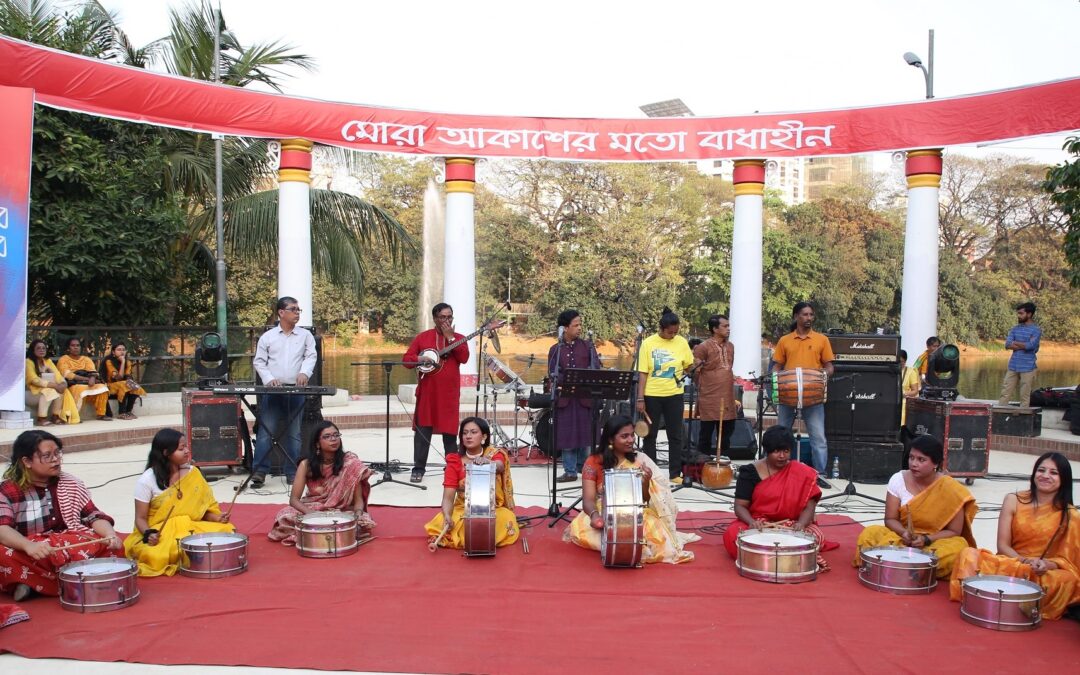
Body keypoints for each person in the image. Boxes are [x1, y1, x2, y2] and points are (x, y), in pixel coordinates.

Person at [949, 452, 1079, 620]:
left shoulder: (1070, 515)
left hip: (1040, 573)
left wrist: (1046, 564)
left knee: (1068, 580)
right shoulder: (1013, 500)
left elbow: (1069, 562)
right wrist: (1023, 561)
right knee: (968, 554)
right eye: (1041, 470)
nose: (1045, 476)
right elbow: (1002, 546)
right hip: (1012, 562)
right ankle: (999, 598)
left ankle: (998, 596)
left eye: (1054, 473)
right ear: (1034, 474)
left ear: (1064, 479)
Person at [0, 430, 123, 602]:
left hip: (66, 546)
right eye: (47, 455)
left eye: (58, 453)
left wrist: (110, 535)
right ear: (26, 461)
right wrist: (28, 545)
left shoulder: (69, 483)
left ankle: (31, 583)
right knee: (3, 554)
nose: (56, 459)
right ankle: (62, 579)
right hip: (29, 551)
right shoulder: (8, 490)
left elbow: (93, 516)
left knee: (112, 544)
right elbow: (2, 528)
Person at [564, 415, 697, 564]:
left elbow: (645, 500)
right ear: (610, 439)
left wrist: (646, 482)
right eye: (624, 436)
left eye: (632, 435)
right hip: (604, 512)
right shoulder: (594, 462)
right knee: (591, 532)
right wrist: (595, 517)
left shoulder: (640, 459)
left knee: (651, 535)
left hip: (636, 513)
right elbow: (588, 500)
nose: (631, 440)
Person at [852, 435, 977, 579]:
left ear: (935, 463)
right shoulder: (898, 479)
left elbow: (954, 531)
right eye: (911, 458)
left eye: (921, 459)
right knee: (870, 533)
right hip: (902, 539)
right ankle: (917, 569)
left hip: (934, 542)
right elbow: (890, 519)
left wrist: (926, 539)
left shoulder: (951, 489)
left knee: (959, 546)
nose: (914, 464)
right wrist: (904, 533)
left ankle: (897, 566)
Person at [123, 428, 235, 576]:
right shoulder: (147, 480)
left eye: (186, 447)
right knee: (156, 556)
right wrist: (149, 534)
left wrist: (217, 517)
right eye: (181, 448)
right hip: (161, 532)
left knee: (228, 531)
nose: (187, 451)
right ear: (166, 453)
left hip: (190, 527)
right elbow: (140, 518)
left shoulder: (192, 473)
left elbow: (202, 511)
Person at [722, 426, 836, 571]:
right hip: (760, 524)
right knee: (732, 534)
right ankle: (788, 557)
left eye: (786, 451)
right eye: (776, 451)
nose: (782, 456)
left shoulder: (801, 471)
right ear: (767, 451)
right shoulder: (749, 472)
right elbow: (740, 506)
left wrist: (801, 524)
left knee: (815, 535)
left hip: (792, 525)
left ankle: (766, 556)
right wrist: (751, 522)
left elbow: (810, 505)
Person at [269, 421, 376, 545]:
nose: (333, 439)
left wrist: (357, 516)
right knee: (286, 516)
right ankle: (331, 531)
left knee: (363, 523)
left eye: (336, 435)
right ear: (317, 443)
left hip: (342, 511)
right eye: (327, 436)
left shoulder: (351, 463)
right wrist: (315, 516)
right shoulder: (306, 465)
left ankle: (321, 531)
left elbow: (358, 501)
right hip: (313, 508)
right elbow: (294, 499)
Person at [250, 296, 317, 488]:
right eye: (293, 309)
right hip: (272, 391)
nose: (297, 313)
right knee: (265, 432)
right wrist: (269, 379)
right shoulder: (268, 337)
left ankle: (292, 472)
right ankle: (259, 472)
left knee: (294, 433)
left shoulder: (305, 335)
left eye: (298, 310)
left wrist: (305, 372)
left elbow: (311, 355)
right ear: (281, 312)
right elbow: (259, 362)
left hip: (295, 391)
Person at [424, 417, 519, 549]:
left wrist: (487, 463)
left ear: (484, 436)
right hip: (464, 508)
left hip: (492, 508)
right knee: (441, 520)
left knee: (506, 518)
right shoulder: (455, 462)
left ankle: (473, 537)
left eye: (473, 432)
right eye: (465, 433)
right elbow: (448, 496)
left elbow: (500, 466)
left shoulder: (493, 454)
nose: (468, 436)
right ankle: (478, 537)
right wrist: (447, 515)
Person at [404, 303, 469, 483]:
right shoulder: (423, 338)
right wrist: (419, 359)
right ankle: (418, 469)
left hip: (448, 395)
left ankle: (453, 469)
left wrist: (450, 339)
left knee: (450, 434)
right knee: (422, 432)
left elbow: (464, 358)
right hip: (428, 394)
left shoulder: (460, 338)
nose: (447, 321)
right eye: (443, 317)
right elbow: (406, 361)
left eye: (450, 317)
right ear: (435, 318)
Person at [768, 302, 834, 474]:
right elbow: (776, 366)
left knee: (818, 436)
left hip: (813, 396)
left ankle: (820, 474)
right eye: (805, 314)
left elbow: (829, 366)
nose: (809, 318)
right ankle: (778, 471)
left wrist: (823, 376)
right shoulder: (785, 340)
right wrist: (775, 382)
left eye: (811, 315)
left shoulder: (822, 339)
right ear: (796, 316)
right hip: (788, 395)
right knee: (781, 434)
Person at [636, 307, 694, 484]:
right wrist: (640, 398)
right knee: (650, 435)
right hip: (652, 394)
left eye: (676, 332)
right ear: (661, 329)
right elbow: (643, 372)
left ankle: (675, 473)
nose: (673, 335)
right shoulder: (648, 343)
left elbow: (688, 367)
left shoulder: (681, 342)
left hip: (674, 394)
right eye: (670, 332)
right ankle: (651, 472)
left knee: (675, 434)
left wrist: (694, 366)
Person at [548, 309, 601, 482]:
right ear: (565, 328)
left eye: (580, 324)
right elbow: (553, 373)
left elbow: (596, 369)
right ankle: (570, 471)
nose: (579, 328)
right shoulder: (556, 349)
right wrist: (568, 379)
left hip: (585, 397)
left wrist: (584, 377)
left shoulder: (587, 346)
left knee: (586, 435)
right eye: (576, 325)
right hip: (565, 398)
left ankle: (584, 468)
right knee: (567, 434)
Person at [693, 314, 738, 457]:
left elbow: (728, 367)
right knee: (705, 434)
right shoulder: (703, 347)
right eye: (725, 326)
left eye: (728, 326)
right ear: (714, 329)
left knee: (726, 433)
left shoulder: (730, 347)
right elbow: (696, 373)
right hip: (709, 396)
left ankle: (723, 465)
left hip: (727, 395)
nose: (728, 329)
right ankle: (702, 466)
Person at [24, 339, 79, 426]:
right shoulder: (28, 362)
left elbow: (58, 375)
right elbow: (34, 380)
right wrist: (55, 385)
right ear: (33, 350)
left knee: (60, 391)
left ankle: (55, 416)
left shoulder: (48, 361)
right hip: (30, 393)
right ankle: (41, 418)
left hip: (45, 390)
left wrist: (63, 383)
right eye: (38, 348)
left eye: (43, 348)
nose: (42, 350)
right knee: (49, 390)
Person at [56, 337, 111, 422]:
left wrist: (92, 378)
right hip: (73, 384)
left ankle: (101, 414)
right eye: (73, 345)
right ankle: (75, 415)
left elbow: (93, 371)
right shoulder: (63, 359)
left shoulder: (86, 359)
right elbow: (67, 374)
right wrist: (86, 379)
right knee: (79, 388)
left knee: (103, 387)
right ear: (68, 348)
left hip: (88, 383)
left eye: (78, 345)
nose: (76, 347)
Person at [998, 302, 1041, 406]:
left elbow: (1031, 346)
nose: (1019, 316)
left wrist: (1016, 343)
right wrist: (1024, 344)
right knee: (1005, 392)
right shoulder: (1015, 328)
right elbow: (1007, 344)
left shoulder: (1036, 330)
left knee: (1024, 395)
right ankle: (999, 414)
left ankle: (1024, 417)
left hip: (1028, 367)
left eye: (1021, 313)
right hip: (1013, 366)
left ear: (1029, 314)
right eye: (1018, 313)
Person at [100, 341, 147, 420]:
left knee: (134, 386)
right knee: (124, 384)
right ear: (113, 352)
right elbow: (119, 377)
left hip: (122, 386)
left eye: (123, 350)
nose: (122, 352)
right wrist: (123, 362)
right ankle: (121, 413)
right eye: (119, 350)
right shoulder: (109, 361)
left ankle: (128, 411)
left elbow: (127, 376)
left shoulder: (128, 362)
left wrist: (130, 381)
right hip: (109, 387)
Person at [900, 349, 920, 426]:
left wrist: (903, 393)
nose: (898, 363)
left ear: (905, 361)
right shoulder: (891, 371)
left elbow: (915, 391)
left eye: (901, 361)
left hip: (904, 405)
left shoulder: (911, 372)